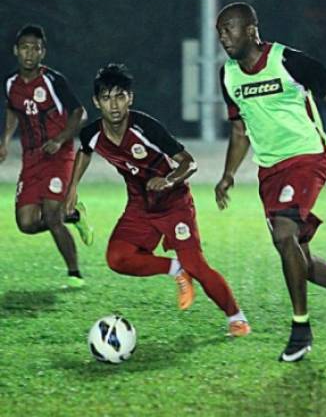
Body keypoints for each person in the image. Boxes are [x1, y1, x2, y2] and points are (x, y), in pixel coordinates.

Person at [214, 2, 326, 362]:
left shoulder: (287, 61)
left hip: (306, 159)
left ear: (251, 30)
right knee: (299, 262)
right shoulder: (228, 75)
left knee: (283, 234)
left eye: (229, 28)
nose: (223, 37)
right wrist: (228, 175)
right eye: (220, 31)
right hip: (269, 171)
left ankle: (301, 329)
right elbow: (240, 129)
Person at [64, 63, 250, 337]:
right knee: (117, 258)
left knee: (196, 265)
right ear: (96, 102)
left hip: (174, 204)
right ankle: (176, 269)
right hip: (140, 206)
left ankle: (236, 317)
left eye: (119, 96)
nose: (113, 105)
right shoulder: (92, 133)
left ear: (130, 97)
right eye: (106, 98)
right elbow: (85, 151)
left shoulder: (146, 128)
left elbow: (190, 162)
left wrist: (170, 180)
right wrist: (72, 190)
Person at [0, 24, 93, 288]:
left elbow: (80, 113)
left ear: (43, 52)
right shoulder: (10, 83)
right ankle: (73, 216)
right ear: (16, 51)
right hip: (31, 159)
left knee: (52, 216)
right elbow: (13, 111)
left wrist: (61, 139)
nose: (30, 53)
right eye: (25, 48)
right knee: (26, 223)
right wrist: (5, 141)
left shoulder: (53, 81)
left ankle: (74, 275)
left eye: (35, 48)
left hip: (58, 154)